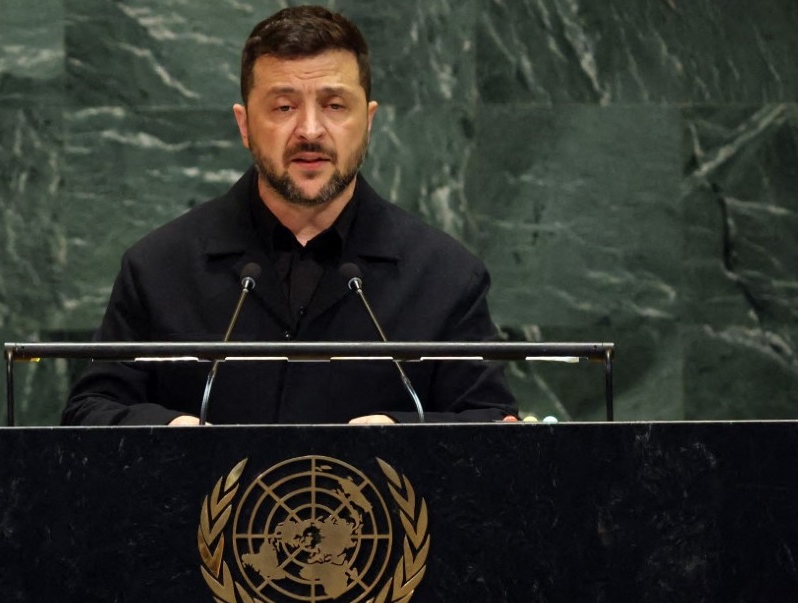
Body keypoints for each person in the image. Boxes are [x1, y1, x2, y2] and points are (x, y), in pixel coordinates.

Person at [61, 5, 517, 426]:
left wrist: (404, 434)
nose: (310, 130)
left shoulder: (445, 276)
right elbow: (90, 411)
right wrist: (168, 432)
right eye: (283, 107)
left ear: (369, 121)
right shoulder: (159, 268)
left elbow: (494, 425)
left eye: (335, 105)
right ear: (244, 125)